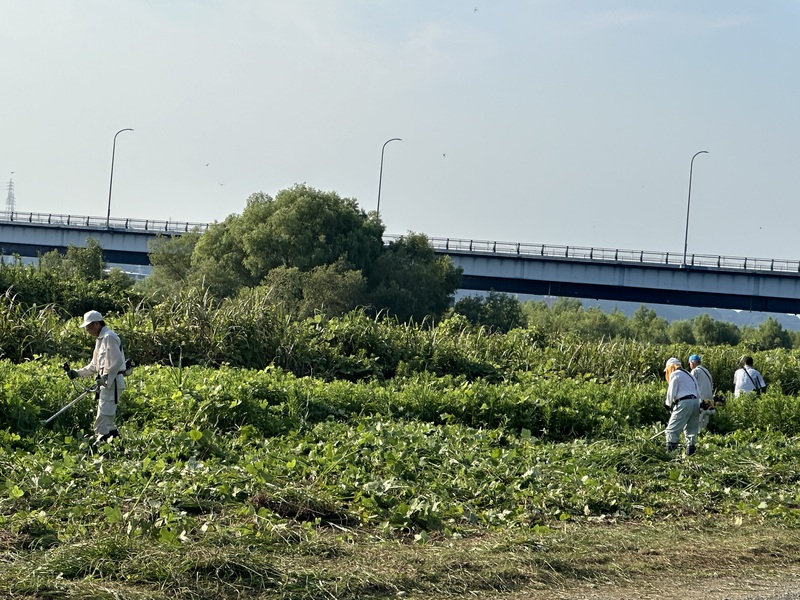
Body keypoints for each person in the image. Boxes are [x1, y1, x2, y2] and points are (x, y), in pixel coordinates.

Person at [67, 310, 127, 442]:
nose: (88, 330)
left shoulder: (109, 337)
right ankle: (117, 446)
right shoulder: (100, 339)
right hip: (105, 384)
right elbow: (94, 365)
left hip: (112, 383)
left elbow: (117, 361)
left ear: (96, 324)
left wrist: (105, 376)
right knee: (108, 421)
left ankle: (103, 450)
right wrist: (77, 373)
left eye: (88, 327)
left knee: (102, 421)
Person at [663, 357, 701, 455]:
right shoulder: (689, 374)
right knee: (691, 431)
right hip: (695, 402)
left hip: (684, 403)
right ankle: (690, 455)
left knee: (671, 430)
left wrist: (668, 404)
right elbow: (698, 391)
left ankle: (671, 456)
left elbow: (671, 391)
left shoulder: (675, 374)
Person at [688, 354, 715, 431]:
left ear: (692, 363)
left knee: (698, 420)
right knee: (705, 421)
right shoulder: (706, 371)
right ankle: (704, 435)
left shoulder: (695, 371)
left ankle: (698, 437)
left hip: (701, 399)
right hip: (709, 399)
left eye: (689, 363)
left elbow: (692, 384)